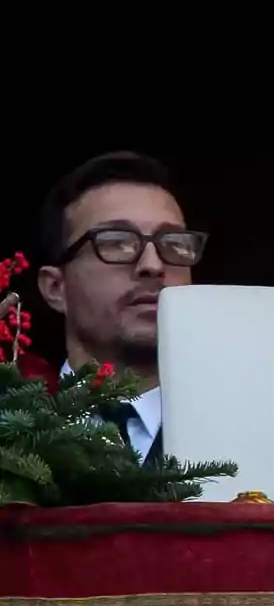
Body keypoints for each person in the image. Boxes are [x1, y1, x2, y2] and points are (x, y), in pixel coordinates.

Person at [35, 151, 209, 466]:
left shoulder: (253, 425)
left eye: (174, 243)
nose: (153, 265)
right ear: (55, 288)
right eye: (117, 241)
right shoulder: (15, 429)